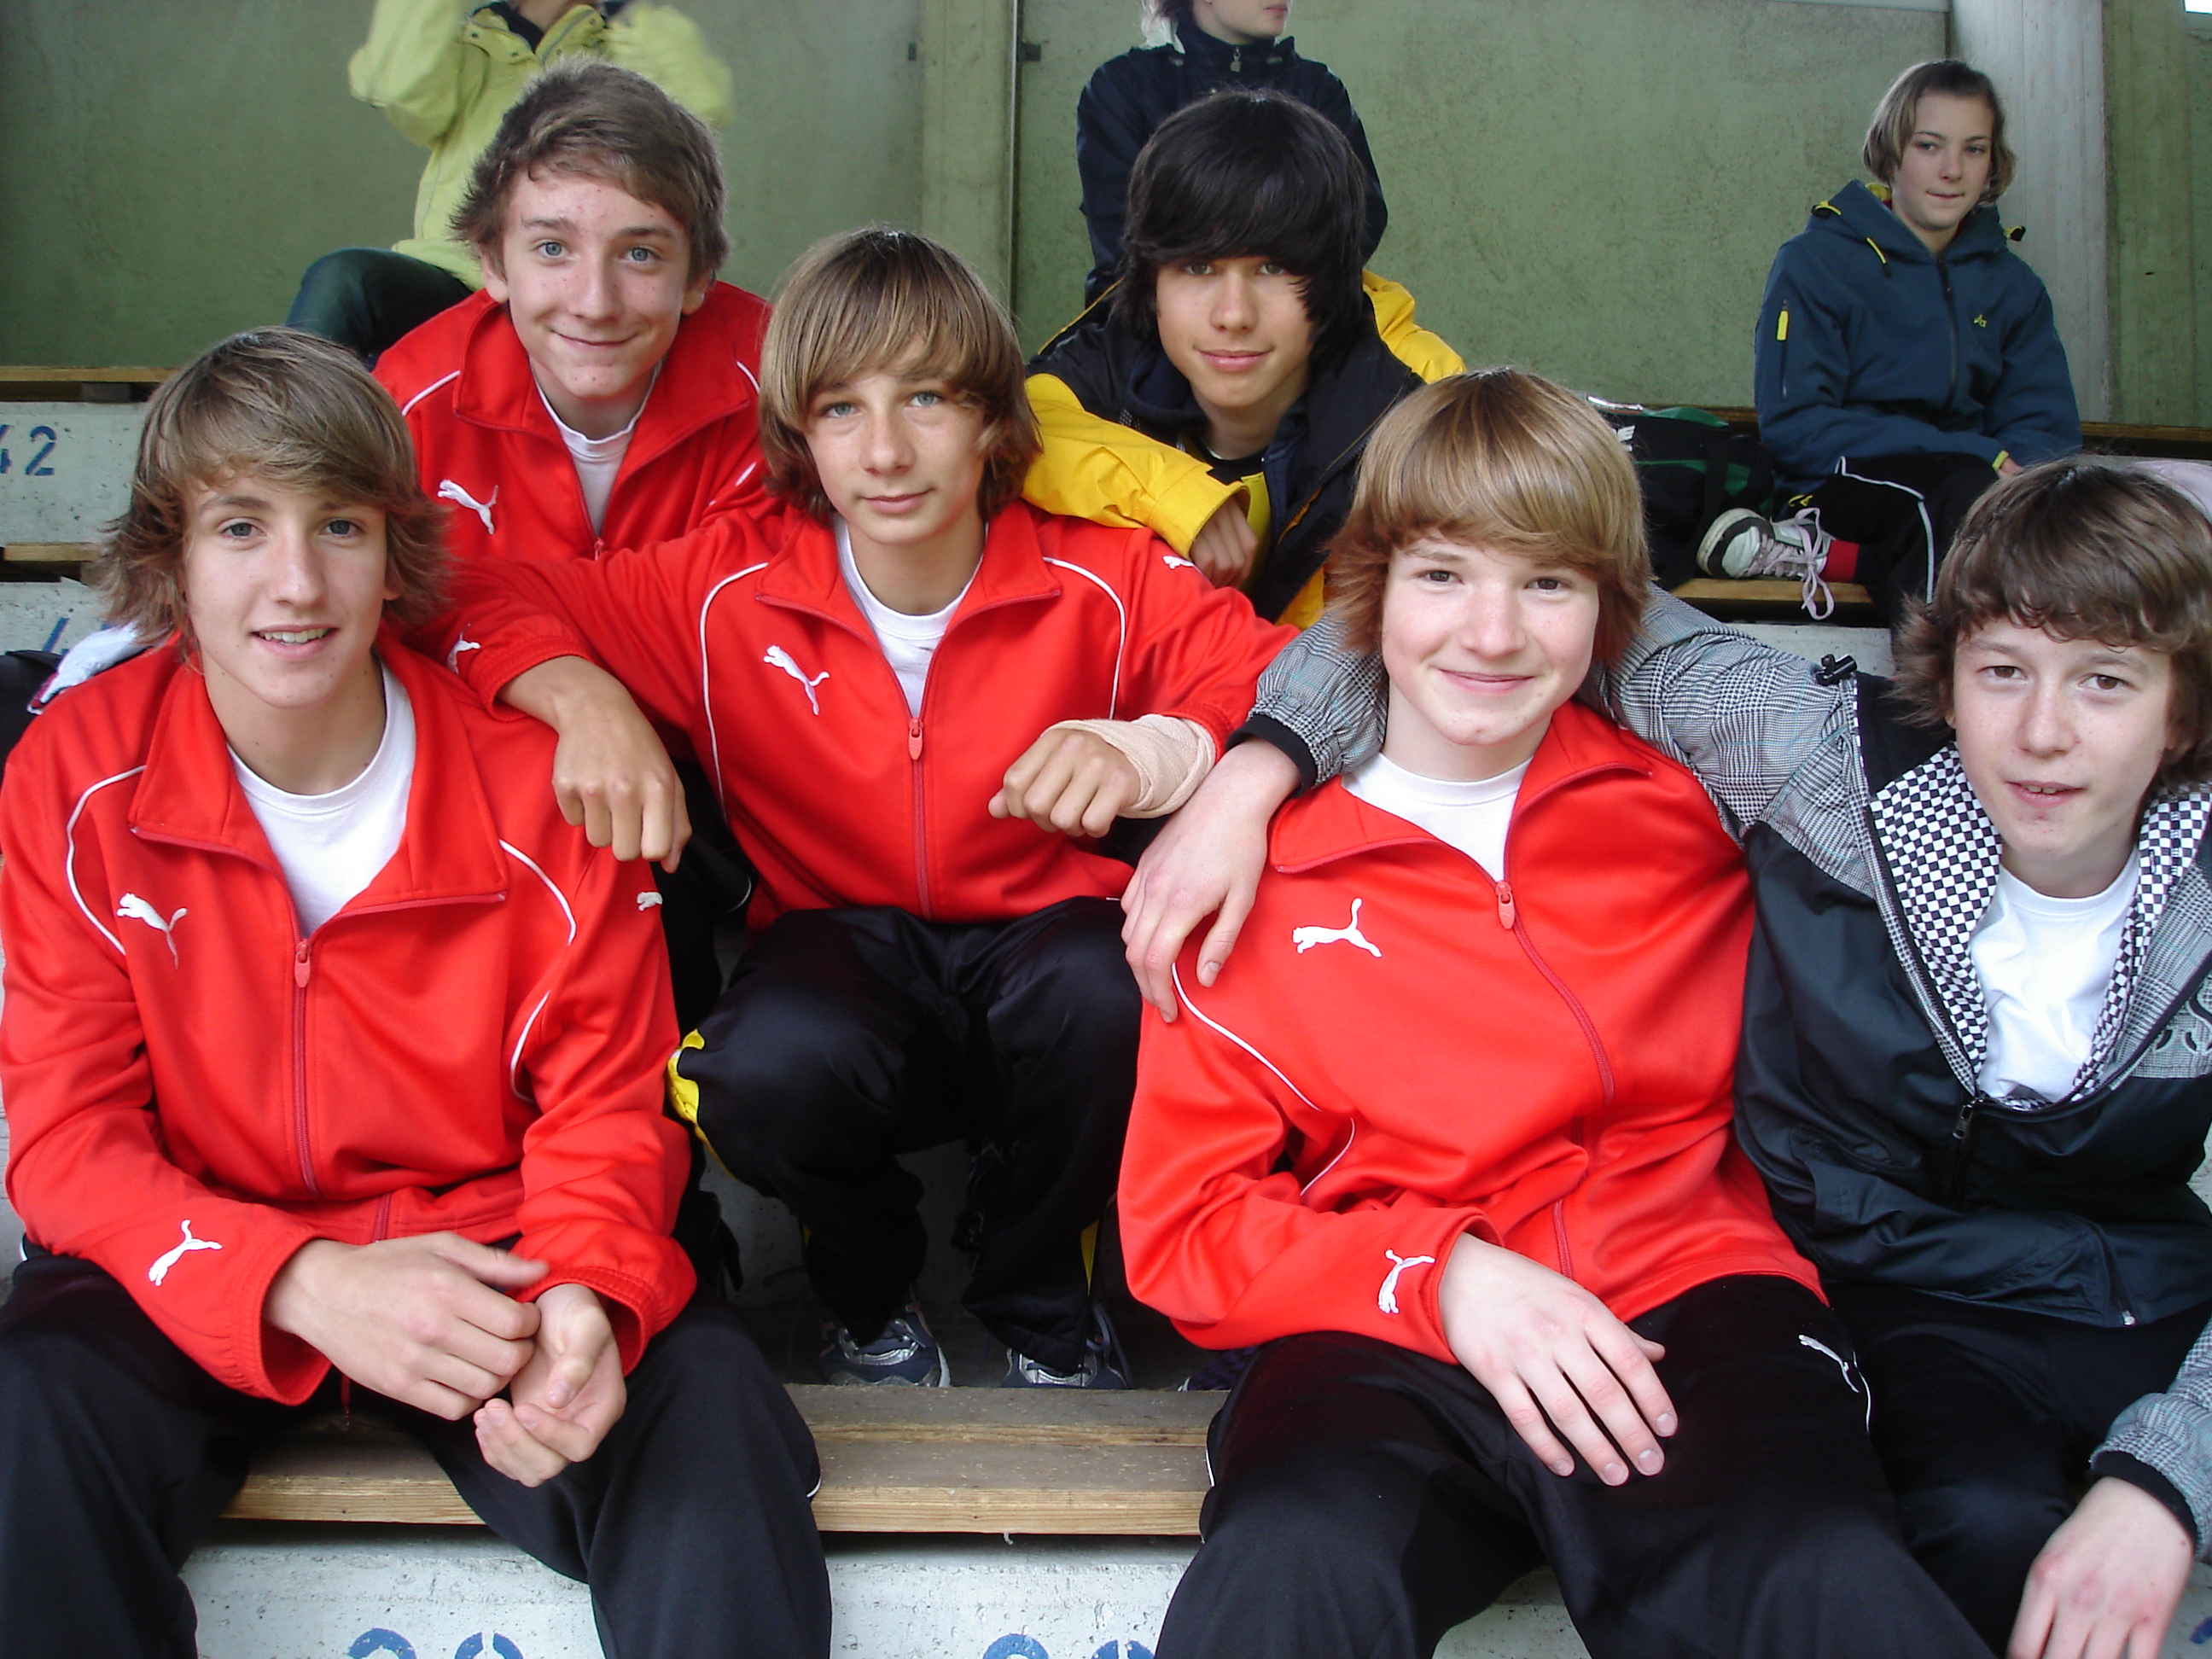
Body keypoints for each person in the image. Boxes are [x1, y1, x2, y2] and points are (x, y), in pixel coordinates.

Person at [1132, 458, 2212, 1657]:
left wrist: (2168, 1479)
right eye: (2003, 672)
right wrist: (1256, 765)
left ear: (2184, 711)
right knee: (1297, 1554)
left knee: (1832, 1562)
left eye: (2106, 682)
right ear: (1948, 681)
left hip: (1709, 1284)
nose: (2045, 732)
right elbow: (1468, 609)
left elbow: (1528, 601)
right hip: (1404, 1322)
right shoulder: (1824, 769)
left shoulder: (1680, 798)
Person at [0, 329, 829, 1659]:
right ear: (169, 561)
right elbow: (67, 1137)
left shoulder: (534, 784)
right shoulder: (76, 772)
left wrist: (588, 1297)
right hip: (200, 1256)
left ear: (395, 555)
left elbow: (609, 1107)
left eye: (339, 525)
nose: (296, 580)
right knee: (27, 1411)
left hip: (489, 1261)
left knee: (711, 1405)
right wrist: (297, 1280)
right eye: (239, 528)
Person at [432, 226, 1293, 1388]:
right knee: (756, 1068)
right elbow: (457, 590)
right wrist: (578, 693)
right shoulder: (721, 586)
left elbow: (1301, 677)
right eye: (841, 409)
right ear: (800, 435)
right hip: (837, 951)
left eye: (926, 399)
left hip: (1047, 947)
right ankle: (867, 1288)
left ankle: (1036, 1288)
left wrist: (1163, 751)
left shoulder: (1106, 574)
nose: (884, 452)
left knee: (1126, 988)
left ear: (992, 421)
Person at [375, 55, 774, 1030]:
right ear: (492, 263)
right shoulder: (412, 396)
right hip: (493, 775)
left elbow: (763, 613)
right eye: (552, 248)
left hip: (722, 777)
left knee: (633, 841)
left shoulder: (778, 382)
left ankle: (670, 1104)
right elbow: (378, 602)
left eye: (641, 254)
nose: (594, 300)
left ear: (699, 276)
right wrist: (572, 689)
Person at [1029, 89, 1459, 629]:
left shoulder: (1418, 395)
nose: (1233, 315)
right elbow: (1007, 425)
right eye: (1198, 267)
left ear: (1335, 278)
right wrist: (1173, 494)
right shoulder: (1107, 353)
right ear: (1151, 278)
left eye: (1273, 268)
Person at [1697, 59, 2080, 621]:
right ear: (1892, 151)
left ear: (1993, 162)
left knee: (2089, 508)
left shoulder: (2012, 286)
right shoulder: (1815, 263)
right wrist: (1975, 454)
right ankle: (1937, 679)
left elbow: (2046, 428)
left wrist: (2018, 483)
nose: (1952, 170)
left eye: (1974, 149)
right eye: (1929, 146)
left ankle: (1838, 561)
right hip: (1834, 485)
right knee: (1956, 495)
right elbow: (1798, 427)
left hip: (1980, 492)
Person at [288, 0, 733, 362]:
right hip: (460, 275)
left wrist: (626, 9)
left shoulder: (622, 50)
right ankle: (275, 434)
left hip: (575, 280)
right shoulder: (471, 50)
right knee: (344, 281)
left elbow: (701, 108)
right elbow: (396, 88)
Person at [1075, 0, 1386, 304]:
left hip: (1298, 317)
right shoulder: (1123, 87)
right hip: (1150, 319)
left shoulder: (1317, 88)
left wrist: (1284, 300)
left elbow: (1361, 216)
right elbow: (1121, 237)